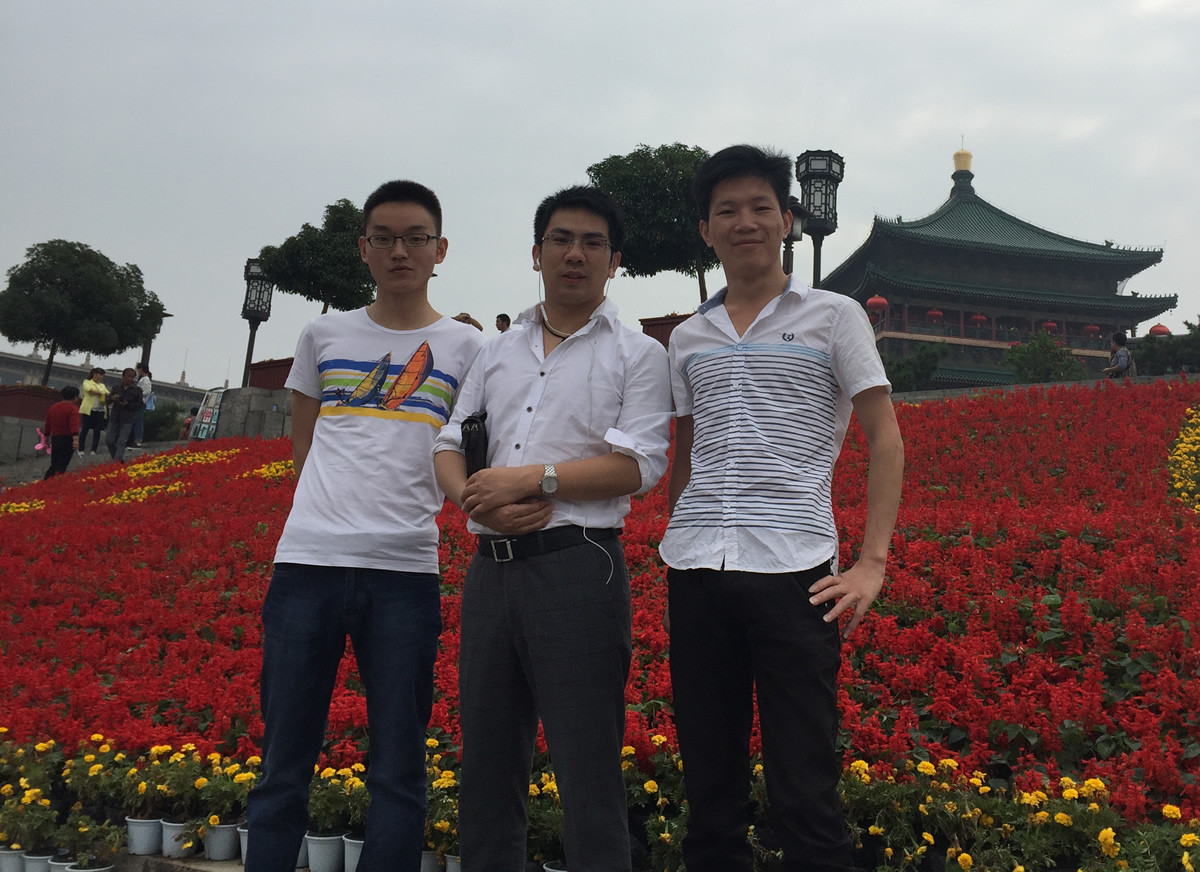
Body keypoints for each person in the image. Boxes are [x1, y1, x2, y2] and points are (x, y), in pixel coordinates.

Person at [659, 145, 904, 872]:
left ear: (787, 219)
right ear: (706, 230)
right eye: (727, 211)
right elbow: (686, 451)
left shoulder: (835, 317)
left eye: (760, 207)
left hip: (798, 574)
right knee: (709, 784)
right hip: (697, 571)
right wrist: (673, 532)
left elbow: (885, 437)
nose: (745, 222)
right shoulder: (688, 337)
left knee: (804, 783)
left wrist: (872, 562)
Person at [245, 180, 485, 872]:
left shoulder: (468, 347)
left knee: (399, 767)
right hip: (306, 566)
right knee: (282, 762)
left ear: (440, 249)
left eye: (415, 238)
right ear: (364, 249)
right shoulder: (323, 334)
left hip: (404, 572)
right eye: (384, 238)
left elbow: (473, 445)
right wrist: (325, 514)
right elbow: (304, 443)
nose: (400, 250)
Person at [434, 186, 672, 872]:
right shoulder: (497, 351)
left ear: (615, 261)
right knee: (485, 765)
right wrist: (476, 502)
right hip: (491, 573)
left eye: (593, 243)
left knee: (586, 767)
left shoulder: (637, 353)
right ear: (536, 253)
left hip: (578, 566)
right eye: (561, 240)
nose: (575, 254)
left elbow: (639, 466)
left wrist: (531, 480)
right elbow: (448, 445)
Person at [105, 367, 144, 462]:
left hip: (128, 419)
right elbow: (107, 400)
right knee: (109, 440)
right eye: (128, 376)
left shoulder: (137, 390)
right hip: (115, 417)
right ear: (123, 376)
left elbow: (140, 405)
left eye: (132, 377)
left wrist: (128, 404)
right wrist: (112, 398)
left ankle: (117, 461)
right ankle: (117, 458)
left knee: (122, 441)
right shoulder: (116, 388)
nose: (130, 379)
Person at [43, 386, 81, 479]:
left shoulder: (54, 407)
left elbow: (48, 423)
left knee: (54, 462)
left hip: (55, 438)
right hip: (67, 439)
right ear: (75, 397)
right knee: (62, 463)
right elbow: (74, 425)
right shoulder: (73, 409)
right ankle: (53, 481)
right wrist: (76, 440)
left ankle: (47, 480)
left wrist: (46, 436)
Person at [78, 368, 108, 455]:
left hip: (100, 409)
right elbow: (89, 390)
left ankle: (93, 449)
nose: (101, 376)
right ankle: (81, 449)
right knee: (85, 429)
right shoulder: (87, 382)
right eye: (100, 374)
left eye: (102, 375)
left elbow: (106, 393)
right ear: (94, 374)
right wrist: (100, 393)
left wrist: (101, 393)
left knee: (97, 430)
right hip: (89, 409)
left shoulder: (102, 385)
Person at [133, 362, 153, 445]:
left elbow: (147, 391)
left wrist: (138, 395)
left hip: (140, 402)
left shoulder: (146, 379)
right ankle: (136, 438)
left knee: (138, 421)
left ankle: (138, 439)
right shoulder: (143, 379)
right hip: (139, 402)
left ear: (141, 369)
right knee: (136, 421)